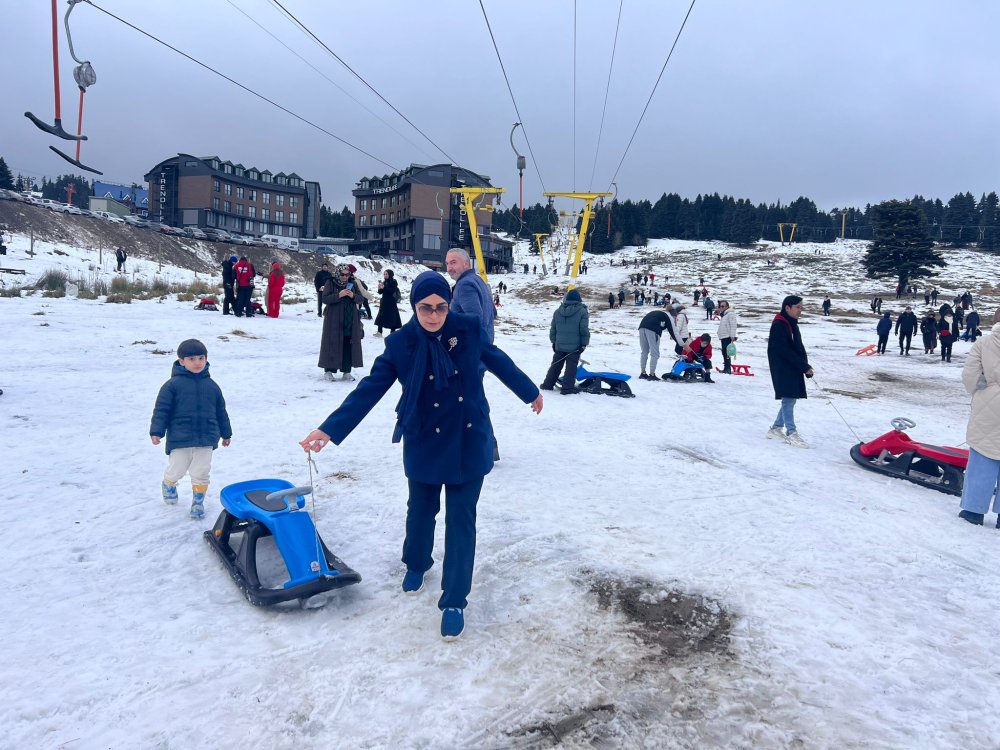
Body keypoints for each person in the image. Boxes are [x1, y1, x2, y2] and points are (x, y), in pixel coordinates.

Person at [299, 271, 544, 640]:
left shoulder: (468, 330)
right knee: (421, 510)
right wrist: (329, 429)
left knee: (462, 521)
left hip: (467, 438)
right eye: (425, 308)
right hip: (424, 438)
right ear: (414, 307)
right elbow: (370, 389)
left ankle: (455, 599)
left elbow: (498, 361)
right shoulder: (402, 343)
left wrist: (529, 391)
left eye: (440, 307)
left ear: (449, 305)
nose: (433, 315)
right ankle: (416, 562)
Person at [149, 339, 232, 519]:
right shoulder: (172, 385)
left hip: (207, 438)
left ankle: (198, 502)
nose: (197, 362)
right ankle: (169, 484)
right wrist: (157, 431)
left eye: (201, 358)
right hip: (180, 438)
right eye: (191, 359)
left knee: (201, 472)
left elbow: (221, 412)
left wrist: (226, 434)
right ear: (182, 361)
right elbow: (162, 409)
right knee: (176, 469)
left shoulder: (212, 386)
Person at [958, 309, 1000, 526]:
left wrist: (980, 389)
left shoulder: (983, 343)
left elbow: (970, 375)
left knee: (983, 457)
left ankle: (974, 510)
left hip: (989, 404)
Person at [766, 295, 813, 448]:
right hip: (783, 366)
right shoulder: (780, 324)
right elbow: (783, 350)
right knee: (788, 397)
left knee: (790, 398)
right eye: (798, 307)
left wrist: (804, 365)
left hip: (791, 365)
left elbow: (797, 346)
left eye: (801, 307)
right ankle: (791, 433)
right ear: (788, 308)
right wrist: (803, 366)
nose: (801, 310)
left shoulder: (790, 323)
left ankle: (776, 428)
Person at [539, 289, 590, 394]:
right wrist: (584, 344)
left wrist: (553, 342)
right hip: (574, 346)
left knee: (556, 365)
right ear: (579, 299)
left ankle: (548, 384)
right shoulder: (582, 311)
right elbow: (584, 329)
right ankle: (567, 388)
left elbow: (553, 329)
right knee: (571, 368)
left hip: (559, 345)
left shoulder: (558, 311)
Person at [319, 264, 364, 381]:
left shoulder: (353, 284)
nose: (345, 277)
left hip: (350, 320)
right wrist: (339, 295)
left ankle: (346, 371)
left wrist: (353, 295)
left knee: (348, 345)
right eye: (342, 274)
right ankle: (329, 371)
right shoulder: (330, 282)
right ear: (338, 273)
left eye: (347, 274)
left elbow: (361, 298)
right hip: (333, 320)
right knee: (332, 344)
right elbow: (325, 299)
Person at [446, 248, 496, 344]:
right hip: (484, 344)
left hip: (470, 349)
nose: (448, 268)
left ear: (466, 264)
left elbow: (474, 319)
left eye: (453, 263)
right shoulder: (478, 280)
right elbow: (493, 313)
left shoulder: (464, 285)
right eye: (447, 263)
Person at [638, 308, 687, 380]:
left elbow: (669, 329)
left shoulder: (659, 313)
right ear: (673, 316)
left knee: (644, 352)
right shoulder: (669, 317)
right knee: (655, 353)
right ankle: (652, 374)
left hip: (641, 327)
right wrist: (682, 344)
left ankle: (643, 373)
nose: (675, 320)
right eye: (675, 318)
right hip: (653, 330)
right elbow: (674, 332)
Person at [374, 269, 403, 337]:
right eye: (384, 274)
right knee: (381, 316)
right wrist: (379, 288)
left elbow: (392, 291)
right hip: (384, 301)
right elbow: (380, 292)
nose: (385, 275)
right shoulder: (384, 282)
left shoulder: (393, 281)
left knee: (392, 316)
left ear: (390, 274)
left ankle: (392, 332)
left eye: (386, 274)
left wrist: (384, 287)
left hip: (391, 302)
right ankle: (379, 332)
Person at [716, 300, 738, 374]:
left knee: (727, 353)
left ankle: (727, 368)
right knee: (724, 352)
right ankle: (726, 367)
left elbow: (733, 325)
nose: (721, 308)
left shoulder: (730, 314)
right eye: (720, 306)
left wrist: (732, 336)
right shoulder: (725, 314)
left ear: (727, 306)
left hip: (727, 336)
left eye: (723, 306)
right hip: (723, 336)